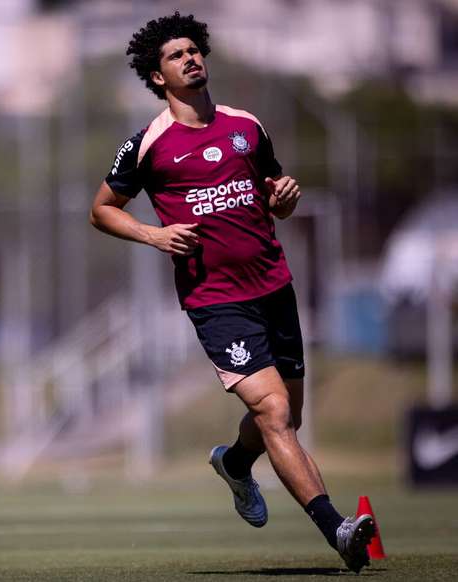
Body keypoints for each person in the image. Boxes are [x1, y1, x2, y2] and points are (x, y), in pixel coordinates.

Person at [89, 12, 375, 573]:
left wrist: (285, 199)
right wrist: (154, 234)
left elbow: (273, 197)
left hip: (275, 285)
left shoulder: (247, 125)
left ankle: (237, 465)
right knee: (273, 411)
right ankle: (337, 529)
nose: (191, 59)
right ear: (157, 76)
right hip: (215, 299)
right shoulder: (148, 144)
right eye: (177, 55)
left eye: (195, 50)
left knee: (284, 416)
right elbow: (100, 210)